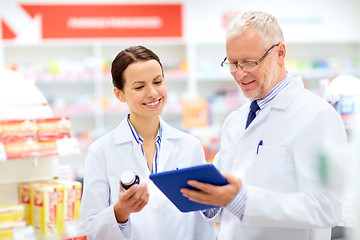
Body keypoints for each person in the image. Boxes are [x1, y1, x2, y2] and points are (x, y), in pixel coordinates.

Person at [180, 11, 347, 240]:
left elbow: (327, 207)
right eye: (233, 63)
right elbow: (226, 201)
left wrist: (242, 201)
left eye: (249, 62)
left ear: (280, 53)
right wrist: (208, 200)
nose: (239, 73)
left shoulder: (317, 116)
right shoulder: (235, 121)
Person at [80, 45, 215, 240]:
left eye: (158, 81)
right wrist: (120, 213)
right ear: (119, 94)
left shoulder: (190, 146)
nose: (152, 93)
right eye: (139, 87)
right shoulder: (100, 152)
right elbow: (89, 228)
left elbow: (202, 224)